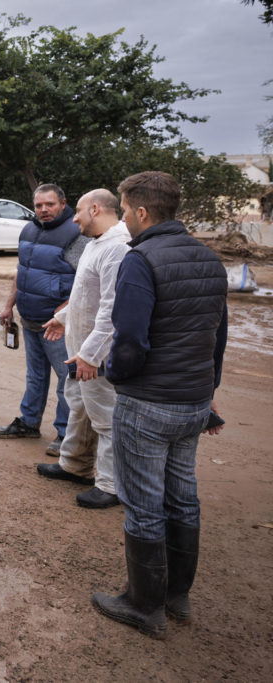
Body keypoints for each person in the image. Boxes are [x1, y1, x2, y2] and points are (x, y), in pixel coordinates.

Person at [92, 171, 228, 638]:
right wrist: (206, 396)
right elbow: (217, 339)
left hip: (148, 404)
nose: (125, 218)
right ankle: (177, 596)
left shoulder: (140, 259)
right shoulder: (210, 259)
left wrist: (117, 376)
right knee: (182, 498)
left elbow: (130, 339)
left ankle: (143, 604)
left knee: (144, 504)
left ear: (142, 212)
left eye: (126, 210)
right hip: (191, 402)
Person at [36, 189, 130, 508]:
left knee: (105, 417)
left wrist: (91, 354)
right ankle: (74, 465)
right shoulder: (96, 243)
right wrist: (63, 317)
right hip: (81, 348)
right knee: (79, 406)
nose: (73, 217)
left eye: (77, 211)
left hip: (96, 353)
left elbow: (112, 308)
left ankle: (110, 484)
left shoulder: (117, 247)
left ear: (95, 208)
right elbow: (84, 294)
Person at [0, 184, 90, 455]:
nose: (44, 210)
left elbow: (87, 283)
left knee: (66, 381)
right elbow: (21, 271)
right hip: (30, 319)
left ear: (63, 203)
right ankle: (29, 422)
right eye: (39, 205)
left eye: (50, 204)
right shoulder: (29, 230)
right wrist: (8, 305)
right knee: (35, 376)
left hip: (58, 326)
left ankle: (65, 433)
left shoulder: (76, 236)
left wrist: (62, 315)